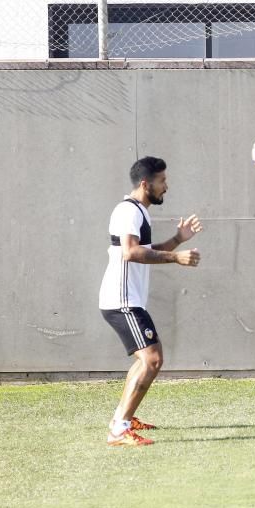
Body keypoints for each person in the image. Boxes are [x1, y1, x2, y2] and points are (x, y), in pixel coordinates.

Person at [99, 156, 202, 446]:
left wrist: (178, 240)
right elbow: (130, 253)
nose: (166, 187)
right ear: (146, 183)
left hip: (128, 300)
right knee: (153, 359)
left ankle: (123, 419)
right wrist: (176, 258)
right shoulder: (128, 212)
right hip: (122, 301)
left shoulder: (138, 212)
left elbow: (145, 250)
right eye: (162, 181)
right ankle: (118, 430)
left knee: (145, 361)